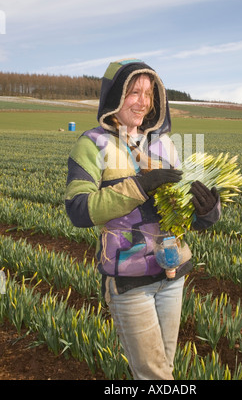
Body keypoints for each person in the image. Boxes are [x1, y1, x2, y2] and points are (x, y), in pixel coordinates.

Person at [65, 58, 221, 380]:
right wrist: (138, 187)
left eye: (148, 93)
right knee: (155, 377)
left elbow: (180, 215)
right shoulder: (92, 144)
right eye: (134, 92)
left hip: (172, 273)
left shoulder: (165, 144)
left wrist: (207, 213)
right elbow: (78, 209)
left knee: (165, 369)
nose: (143, 102)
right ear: (114, 96)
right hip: (130, 280)